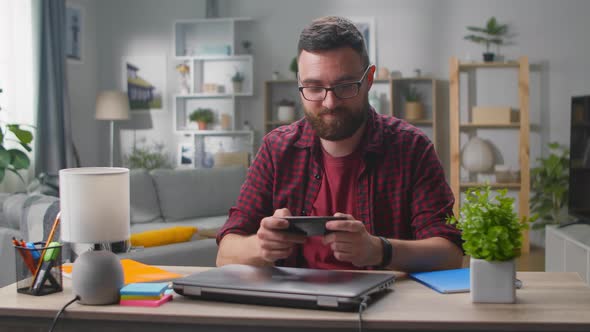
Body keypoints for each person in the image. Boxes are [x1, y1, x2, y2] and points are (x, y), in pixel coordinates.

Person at [216, 16, 463, 272]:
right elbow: (225, 253)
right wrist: (261, 246)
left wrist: (379, 250)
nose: (330, 103)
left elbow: (450, 254)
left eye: (345, 86)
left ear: (369, 80)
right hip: (294, 306)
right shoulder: (276, 150)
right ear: (300, 83)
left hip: (382, 307)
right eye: (313, 87)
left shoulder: (411, 148)